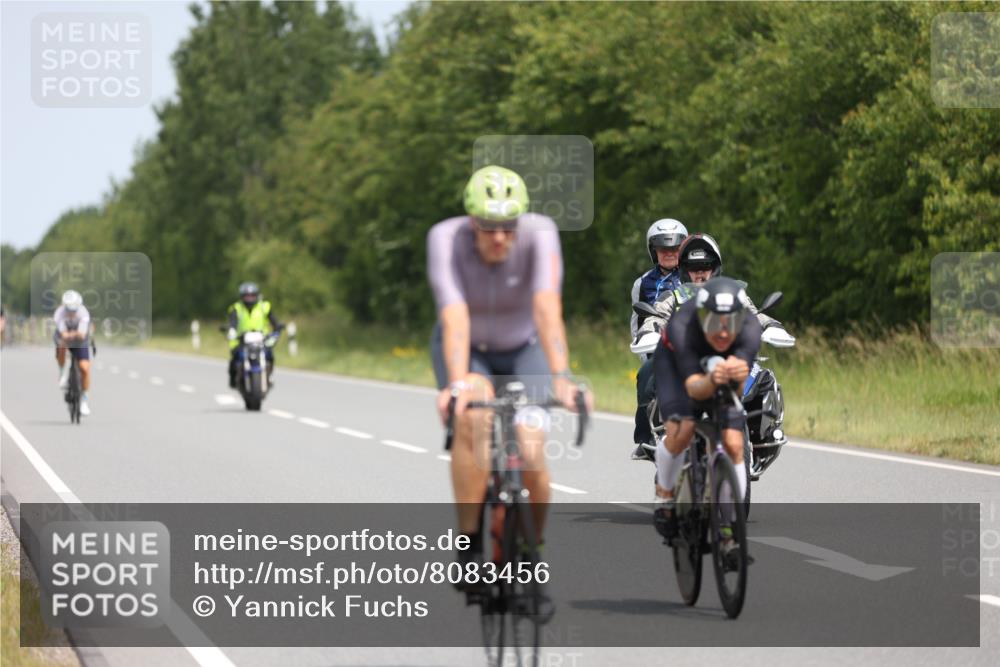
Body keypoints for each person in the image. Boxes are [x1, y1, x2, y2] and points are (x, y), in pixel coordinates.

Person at [427, 165, 589, 610]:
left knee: (533, 453)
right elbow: (454, 313)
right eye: (488, 226)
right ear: (471, 221)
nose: (499, 237)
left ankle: (530, 556)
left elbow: (545, 305)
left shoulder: (541, 233)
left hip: (525, 350)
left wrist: (562, 377)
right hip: (468, 351)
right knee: (474, 418)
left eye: (508, 226)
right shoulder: (446, 238)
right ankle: (468, 542)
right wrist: (458, 383)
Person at [652, 276, 762, 567]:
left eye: (730, 324)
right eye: (714, 323)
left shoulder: (750, 330)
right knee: (683, 429)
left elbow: (737, 391)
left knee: (734, 444)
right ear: (702, 317)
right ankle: (664, 496)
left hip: (718, 369)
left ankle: (729, 529)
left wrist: (736, 377)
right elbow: (693, 390)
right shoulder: (682, 327)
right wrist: (714, 378)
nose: (723, 332)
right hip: (676, 368)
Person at [629, 219, 688, 340]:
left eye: (675, 248)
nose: (669, 253)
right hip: (656, 347)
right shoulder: (642, 283)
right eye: (663, 249)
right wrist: (644, 354)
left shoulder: (693, 276)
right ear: (654, 251)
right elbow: (636, 325)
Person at [226, 282, 281, 389]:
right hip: (242, 340)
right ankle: (234, 380)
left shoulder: (264, 307)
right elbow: (233, 322)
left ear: (256, 295)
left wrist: (277, 329)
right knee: (234, 359)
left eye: (252, 296)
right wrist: (232, 330)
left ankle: (268, 375)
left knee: (270, 355)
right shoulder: (237, 308)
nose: (249, 299)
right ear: (242, 297)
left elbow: (274, 321)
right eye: (247, 296)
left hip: (261, 340)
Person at [54, 290, 93, 415]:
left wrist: (72, 334)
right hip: (65, 339)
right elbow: (63, 334)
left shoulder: (83, 313)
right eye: (68, 310)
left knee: (84, 368)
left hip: (81, 341)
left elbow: (81, 335)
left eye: (74, 310)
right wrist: (70, 335)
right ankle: (62, 372)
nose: (71, 313)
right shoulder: (59, 313)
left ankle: (85, 401)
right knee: (61, 346)